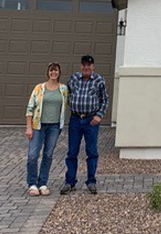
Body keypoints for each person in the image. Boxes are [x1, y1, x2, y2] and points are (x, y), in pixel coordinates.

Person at [61, 54, 109, 195]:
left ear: (93, 66)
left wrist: (99, 116)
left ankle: (91, 181)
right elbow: (65, 94)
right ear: (81, 66)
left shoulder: (99, 80)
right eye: (84, 65)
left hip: (91, 121)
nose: (86, 67)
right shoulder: (74, 78)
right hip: (75, 120)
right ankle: (70, 182)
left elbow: (105, 100)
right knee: (72, 152)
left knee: (92, 152)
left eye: (89, 65)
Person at [25, 62, 69, 197]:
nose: (53, 73)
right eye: (51, 71)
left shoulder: (63, 89)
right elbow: (30, 108)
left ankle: (43, 183)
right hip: (38, 126)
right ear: (48, 72)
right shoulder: (39, 88)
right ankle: (32, 184)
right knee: (33, 155)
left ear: (59, 72)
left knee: (48, 155)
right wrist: (29, 127)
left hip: (54, 126)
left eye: (56, 71)